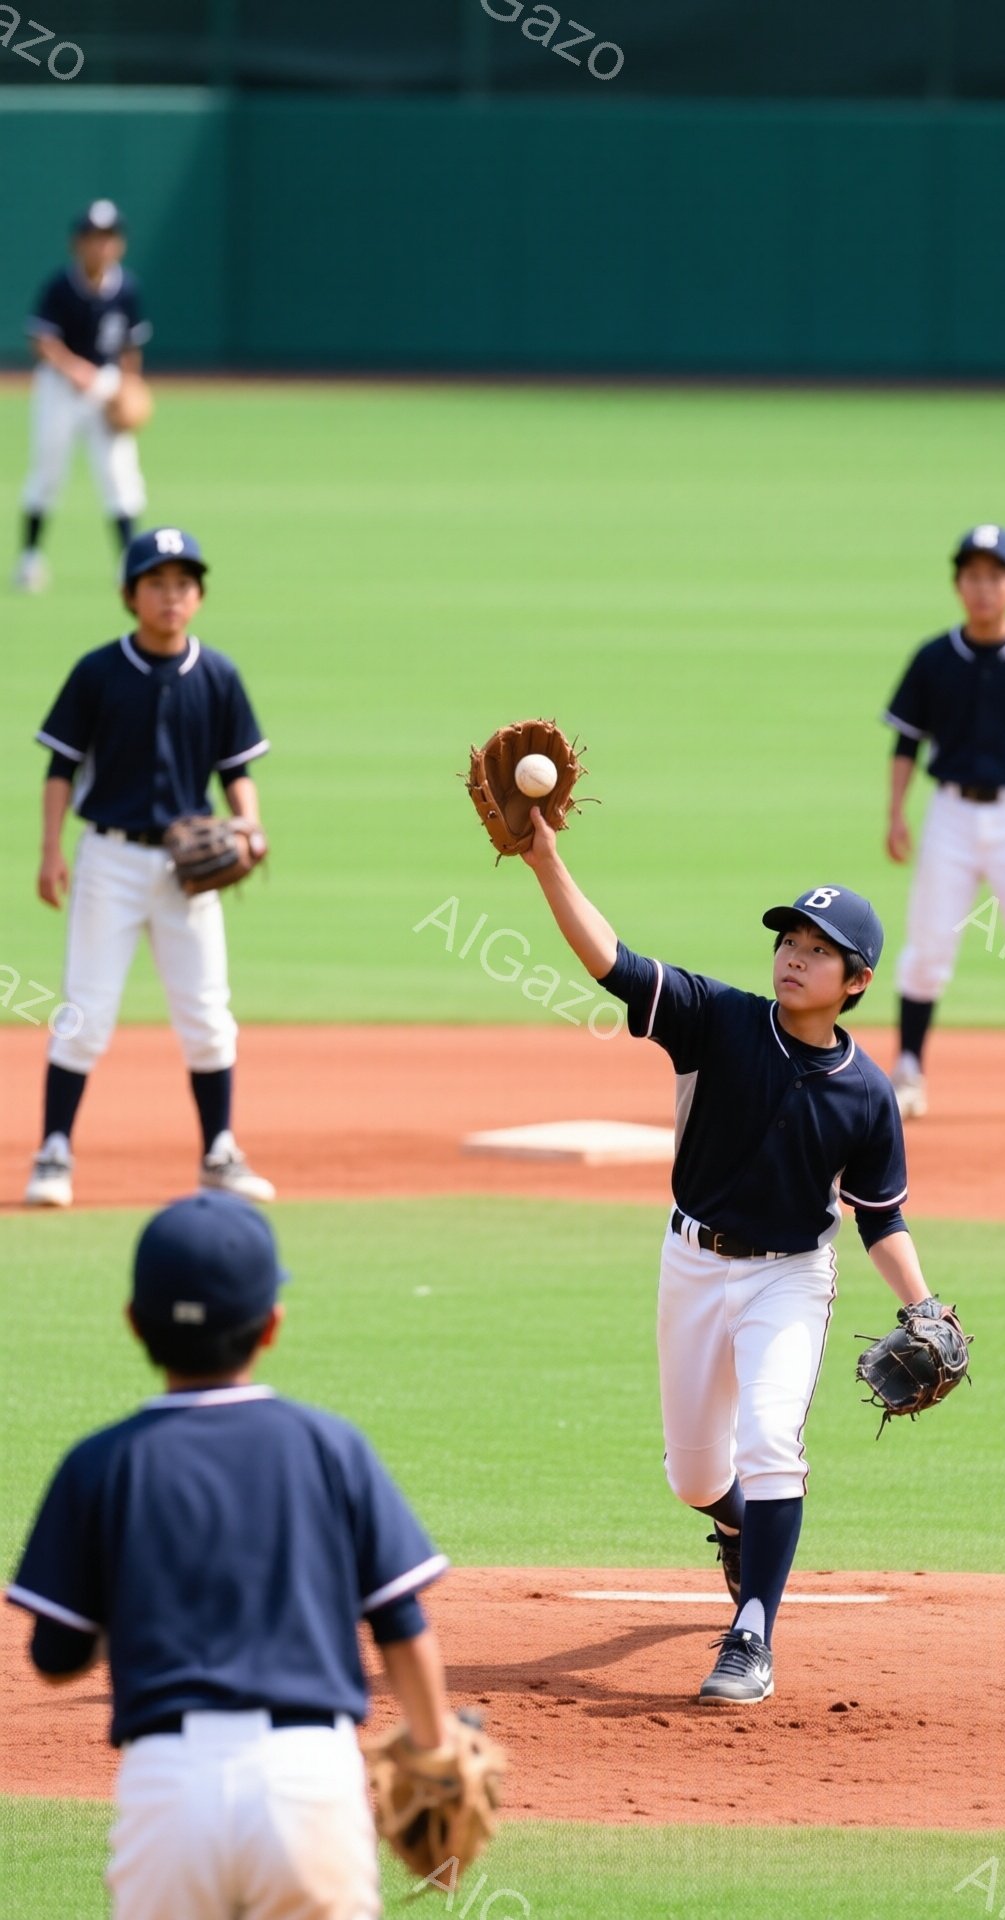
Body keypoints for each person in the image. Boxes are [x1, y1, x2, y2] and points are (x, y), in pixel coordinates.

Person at [521, 815, 940, 1704]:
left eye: (817, 950)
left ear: (856, 981)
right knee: (698, 1477)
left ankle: (752, 1634)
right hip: (692, 1264)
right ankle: (741, 1534)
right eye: (788, 939)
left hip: (789, 1278)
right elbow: (614, 963)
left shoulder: (868, 1095)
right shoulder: (719, 1021)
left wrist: (925, 1306)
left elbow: (880, 1218)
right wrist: (546, 860)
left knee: (771, 1444)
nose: (793, 957)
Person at [6, 1192, 452, 1920]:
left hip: (169, 1791)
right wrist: (434, 1757)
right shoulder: (328, 1447)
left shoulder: (101, 1464)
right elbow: (401, 1625)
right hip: (311, 1786)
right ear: (271, 1326)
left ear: (133, 1323)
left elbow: (56, 1656)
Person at [25, 525, 274, 1209]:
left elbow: (235, 770)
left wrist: (249, 826)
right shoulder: (98, 672)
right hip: (108, 860)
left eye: (183, 584)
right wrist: (51, 851)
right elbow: (60, 767)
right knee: (86, 1012)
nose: (171, 596)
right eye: (156, 584)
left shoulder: (218, 673)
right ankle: (53, 1152)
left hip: (187, 871)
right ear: (129, 595)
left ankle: (220, 1153)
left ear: (198, 597)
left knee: (206, 1014)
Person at [883, 524, 1005, 1120]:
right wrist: (895, 813)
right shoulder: (935, 657)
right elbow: (906, 744)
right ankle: (910, 1070)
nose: (983, 587)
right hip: (950, 815)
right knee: (930, 941)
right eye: (972, 575)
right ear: (958, 585)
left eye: (996, 576)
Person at [13, 199, 151, 592]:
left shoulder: (127, 287)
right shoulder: (61, 285)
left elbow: (130, 346)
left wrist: (129, 385)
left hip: (105, 386)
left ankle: (130, 562)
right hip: (59, 387)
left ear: (119, 244)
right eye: (93, 238)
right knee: (48, 471)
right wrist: (75, 370)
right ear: (78, 243)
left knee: (119, 472)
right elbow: (41, 341)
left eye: (109, 238)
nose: (101, 246)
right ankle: (30, 557)